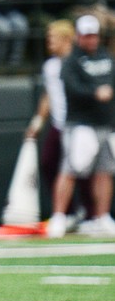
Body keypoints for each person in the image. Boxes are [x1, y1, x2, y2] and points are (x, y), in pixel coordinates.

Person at [46, 15, 115, 237]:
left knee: (104, 171)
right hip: (80, 123)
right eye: (87, 35)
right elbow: (73, 88)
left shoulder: (107, 57)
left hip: (105, 122)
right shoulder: (71, 61)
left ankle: (102, 216)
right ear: (78, 36)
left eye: (94, 35)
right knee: (71, 168)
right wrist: (95, 92)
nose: (91, 40)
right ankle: (59, 216)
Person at [26, 20, 92, 223]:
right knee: (49, 163)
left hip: (80, 122)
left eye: (53, 38)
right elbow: (49, 95)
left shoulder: (80, 61)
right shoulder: (50, 65)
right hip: (59, 123)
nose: (49, 42)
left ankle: (90, 214)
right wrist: (38, 121)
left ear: (66, 39)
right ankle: (69, 211)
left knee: (85, 170)